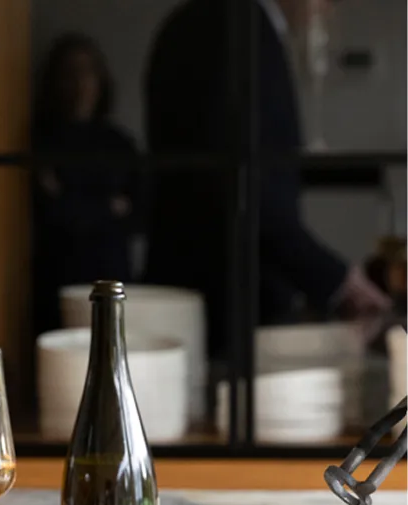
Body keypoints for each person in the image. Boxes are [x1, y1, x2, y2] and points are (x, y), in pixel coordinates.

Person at [144, 0, 389, 353]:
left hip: (212, 306)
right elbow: (244, 191)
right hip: (223, 313)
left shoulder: (218, 23)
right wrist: (337, 279)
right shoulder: (232, 28)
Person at [32, 34, 142, 336]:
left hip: (112, 275)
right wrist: (107, 207)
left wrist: (74, 203)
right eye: (70, 72)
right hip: (58, 278)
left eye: (88, 71)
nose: (80, 82)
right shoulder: (43, 143)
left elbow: (140, 215)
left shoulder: (119, 145)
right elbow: (51, 213)